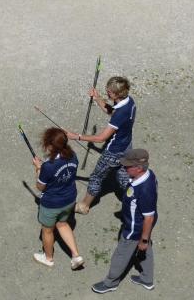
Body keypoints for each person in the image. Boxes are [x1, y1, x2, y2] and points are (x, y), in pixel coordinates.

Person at [65, 76, 136, 214]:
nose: (107, 93)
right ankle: (135, 197)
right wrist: (97, 98)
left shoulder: (120, 113)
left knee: (96, 177)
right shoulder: (129, 102)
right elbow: (111, 111)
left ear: (116, 94)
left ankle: (84, 206)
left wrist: (76, 136)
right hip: (126, 146)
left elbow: (101, 138)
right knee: (122, 174)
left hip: (114, 151)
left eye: (109, 91)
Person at [92, 149, 158, 293]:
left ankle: (111, 283)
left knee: (121, 254)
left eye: (128, 166)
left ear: (139, 168)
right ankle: (147, 279)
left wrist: (144, 239)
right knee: (145, 250)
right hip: (140, 226)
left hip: (135, 228)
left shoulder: (145, 189)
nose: (124, 167)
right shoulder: (148, 175)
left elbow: (149, 217)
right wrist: (145, 241)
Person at [31, 128, 84, 270]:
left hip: (52, 203)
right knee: (62, 223)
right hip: (70, 198)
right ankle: (76, 255)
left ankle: (48, 258)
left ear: (50, 146)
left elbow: (40, 187)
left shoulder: (49, 166)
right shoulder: (73, 156)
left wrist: (38, 169)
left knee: (47, 230)